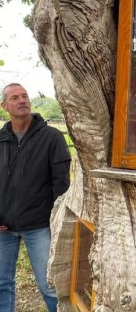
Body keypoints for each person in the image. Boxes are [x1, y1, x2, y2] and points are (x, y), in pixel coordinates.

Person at [0, 83, 71, 312]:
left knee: (50, 285)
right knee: (2, 284)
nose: (21, 100)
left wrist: (53, 219)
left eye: (24, 96)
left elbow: (61, 185)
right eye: (14, 98)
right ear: (4, 106)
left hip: (39, 226)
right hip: (3, 228)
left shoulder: (52, 137)